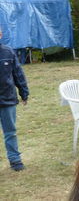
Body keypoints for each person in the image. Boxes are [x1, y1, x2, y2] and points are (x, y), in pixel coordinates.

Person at [0, 27, 29, 171]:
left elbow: (18, 74)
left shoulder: (8, 52)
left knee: (10, 132)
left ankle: (15, 160)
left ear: (0, 35)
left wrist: (24, 93)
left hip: (7, 100)